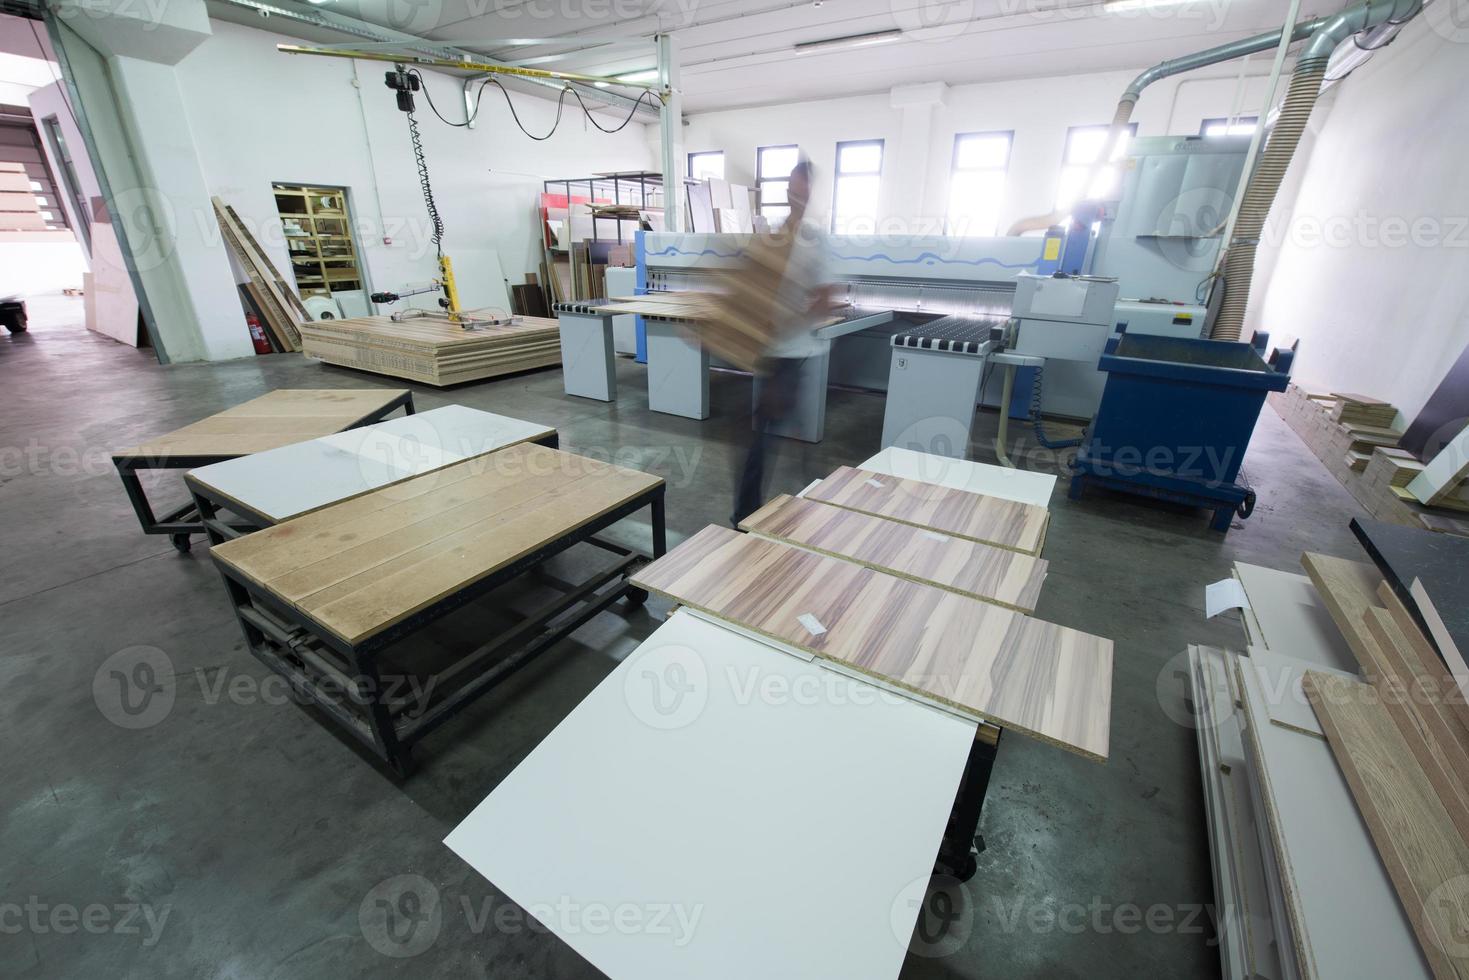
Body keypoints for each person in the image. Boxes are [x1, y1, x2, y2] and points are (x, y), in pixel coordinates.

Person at [733, 159, 838, 525]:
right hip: (768, 351)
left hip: (792, 356)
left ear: (810, 193)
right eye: (793, 189)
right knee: (769, 435)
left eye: (803, 190)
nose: (797, 196)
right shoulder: (773, 236)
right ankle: (769, 510)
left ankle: (757, 513)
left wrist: (790, 320)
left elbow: (825, 298)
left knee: (767, 436)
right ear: (788, 191)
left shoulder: (814, 239)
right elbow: (748, 288)